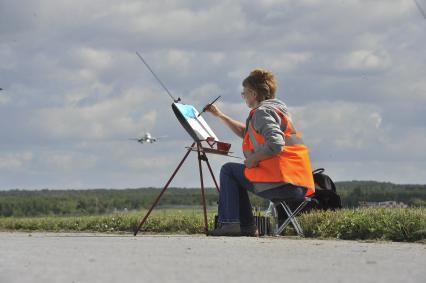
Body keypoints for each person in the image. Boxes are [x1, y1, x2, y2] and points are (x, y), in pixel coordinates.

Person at [206, 68, 315, 236]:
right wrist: (221, 116)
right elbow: (246, 132)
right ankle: (246, 227)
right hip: (299, 184)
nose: (243, 97)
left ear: (253, 93)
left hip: (282, 183)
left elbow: (276, 144)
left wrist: (253, 160)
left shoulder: (262, 113)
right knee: (236, 174)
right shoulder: (278, 110)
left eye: (244, 93)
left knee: (228, 170)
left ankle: (231, 225)